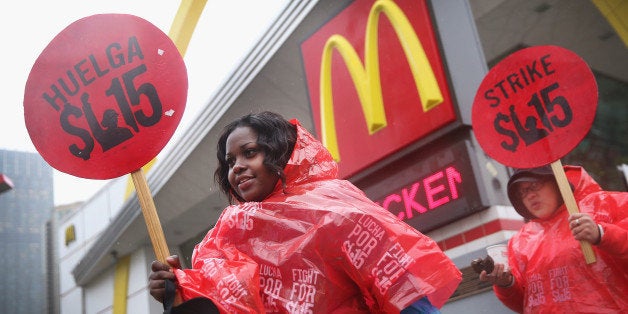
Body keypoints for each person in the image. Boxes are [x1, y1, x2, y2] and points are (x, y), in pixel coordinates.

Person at [148, 111, 462, 313]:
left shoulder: (332, 205)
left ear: (281, 152)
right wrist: (180, 290)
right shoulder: (230, 233)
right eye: (230, 162)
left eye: (250, 153)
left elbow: (402, 292)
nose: (237, 167)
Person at [479, 164, 628, 312]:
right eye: (522, 192)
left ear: (557, 182)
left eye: (535, 185)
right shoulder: (519, 242)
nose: (530, 195)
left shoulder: (607, 205)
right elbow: (525, 304)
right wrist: (506, 285)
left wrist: (602, 234)